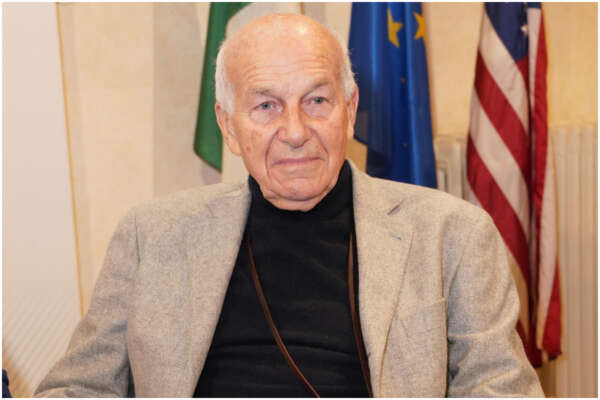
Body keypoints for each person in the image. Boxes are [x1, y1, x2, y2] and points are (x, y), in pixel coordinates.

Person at [35, 13, 543, 397]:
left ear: (350, 111)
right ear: (229, 126)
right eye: (266, 106)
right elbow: (77, 387)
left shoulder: (452, 234)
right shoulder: (150, 235)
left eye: (317, 101)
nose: (295, 132)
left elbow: (502, 388)